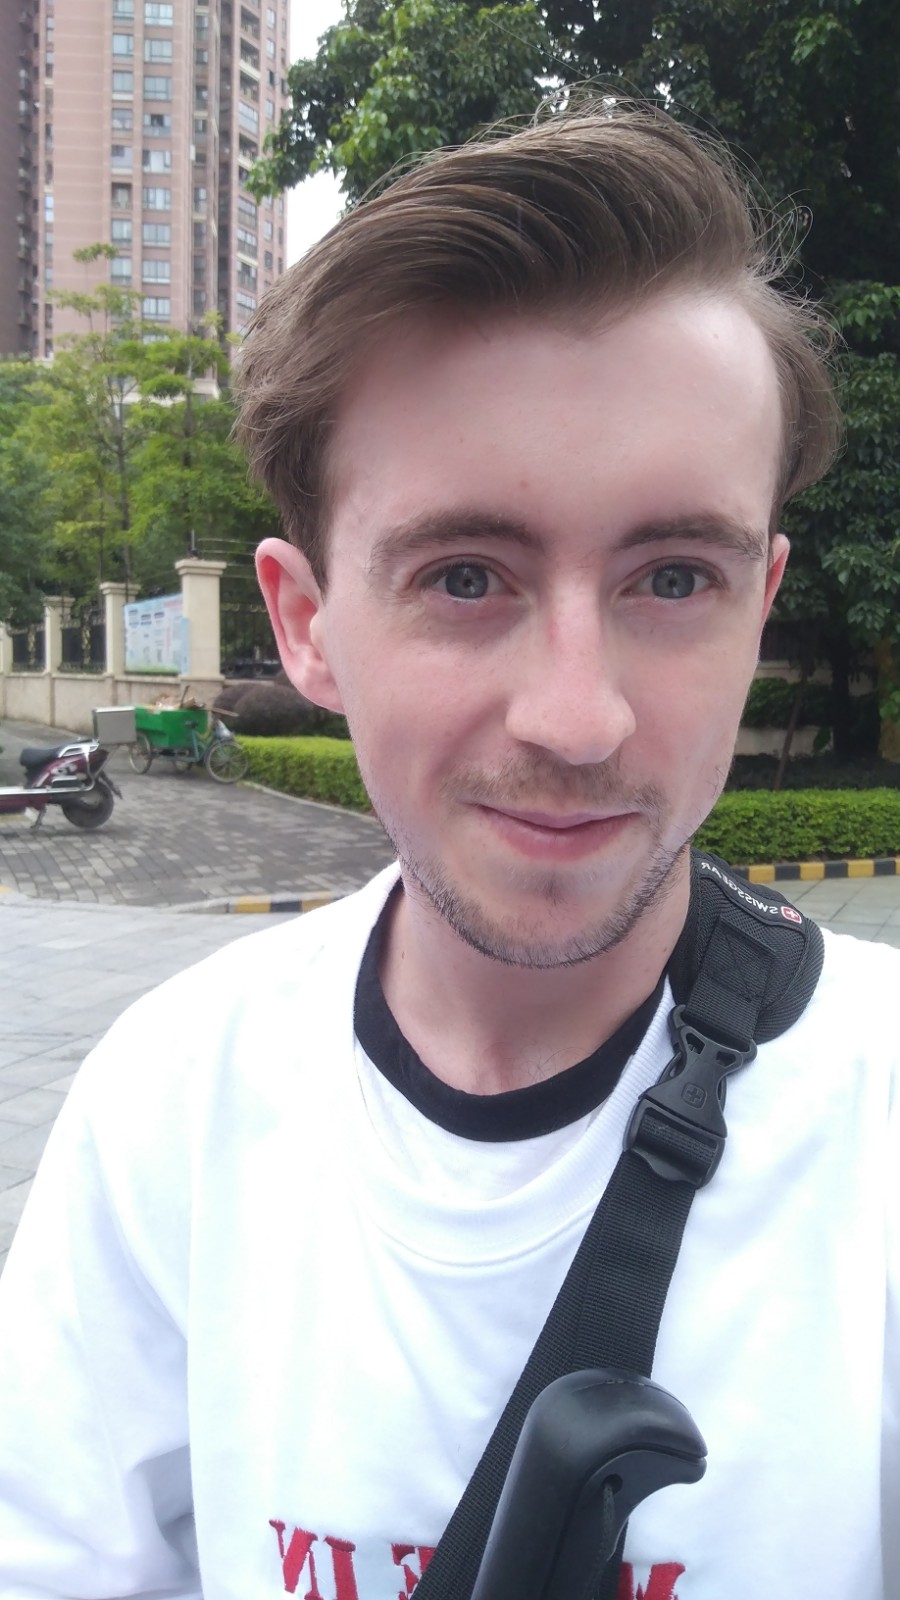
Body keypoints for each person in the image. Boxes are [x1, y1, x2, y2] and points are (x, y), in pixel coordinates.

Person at [0, 102, 897, 1600]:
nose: (578, 717)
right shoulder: (174, 1105)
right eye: (466, 577)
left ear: (759, 603)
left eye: (675, 577)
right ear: (307, 625)